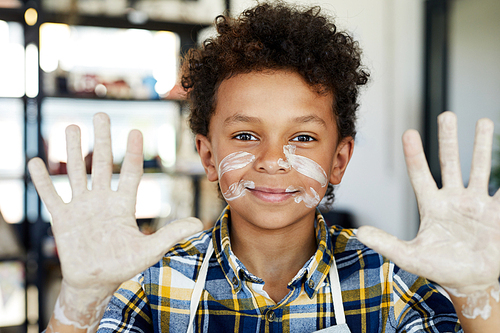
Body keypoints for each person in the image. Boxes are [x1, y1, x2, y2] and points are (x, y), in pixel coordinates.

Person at [28, 2, 500, 332]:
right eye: (246, 135)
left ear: (339, 160)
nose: (273, 160)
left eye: (302, 138)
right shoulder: (152, 283)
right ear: (208, 156)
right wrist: (79, 304)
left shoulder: (391, 284)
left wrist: (481, 299)